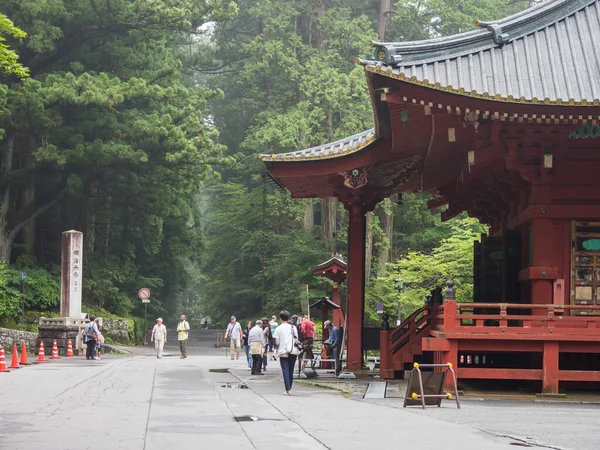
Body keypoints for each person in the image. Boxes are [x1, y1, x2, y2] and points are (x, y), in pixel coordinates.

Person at [273, 310, 299, 395]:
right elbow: (296, 339)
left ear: (280, 318)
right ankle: (290, 388)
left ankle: (288, 389)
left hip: (283, 351)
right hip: (292, 350)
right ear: (288, 318)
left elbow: (277, 342)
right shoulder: (293, 327)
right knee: (291, 369)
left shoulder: (278, 328)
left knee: (285, 370)